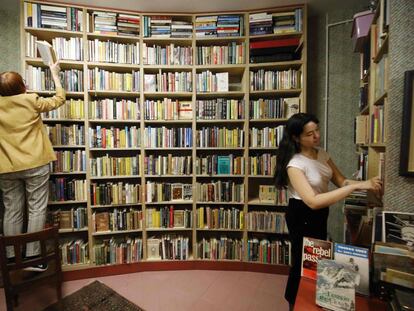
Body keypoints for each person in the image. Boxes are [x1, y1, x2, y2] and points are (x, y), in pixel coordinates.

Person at [274, 113, 382, 308]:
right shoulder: (294, 164)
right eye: (309, 134)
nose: (316, 136)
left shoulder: (322, 153)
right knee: (303, 261)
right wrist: (350, 189)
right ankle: (294, 302)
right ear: (296, 138)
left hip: (320, 212)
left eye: (317, 130)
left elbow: (341, 181)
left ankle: (315, 299)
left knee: (318, 259)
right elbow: (312, 201)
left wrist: (366, 184)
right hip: (302, 213)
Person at [0, 62, 65, 272]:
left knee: (11, 211)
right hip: (35, 162)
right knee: (36, 209)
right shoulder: (30, 100)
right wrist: (55, 75)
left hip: (6, 166)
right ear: (22, 86)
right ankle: (35, 257)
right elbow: (59, 99)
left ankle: (11, 257)